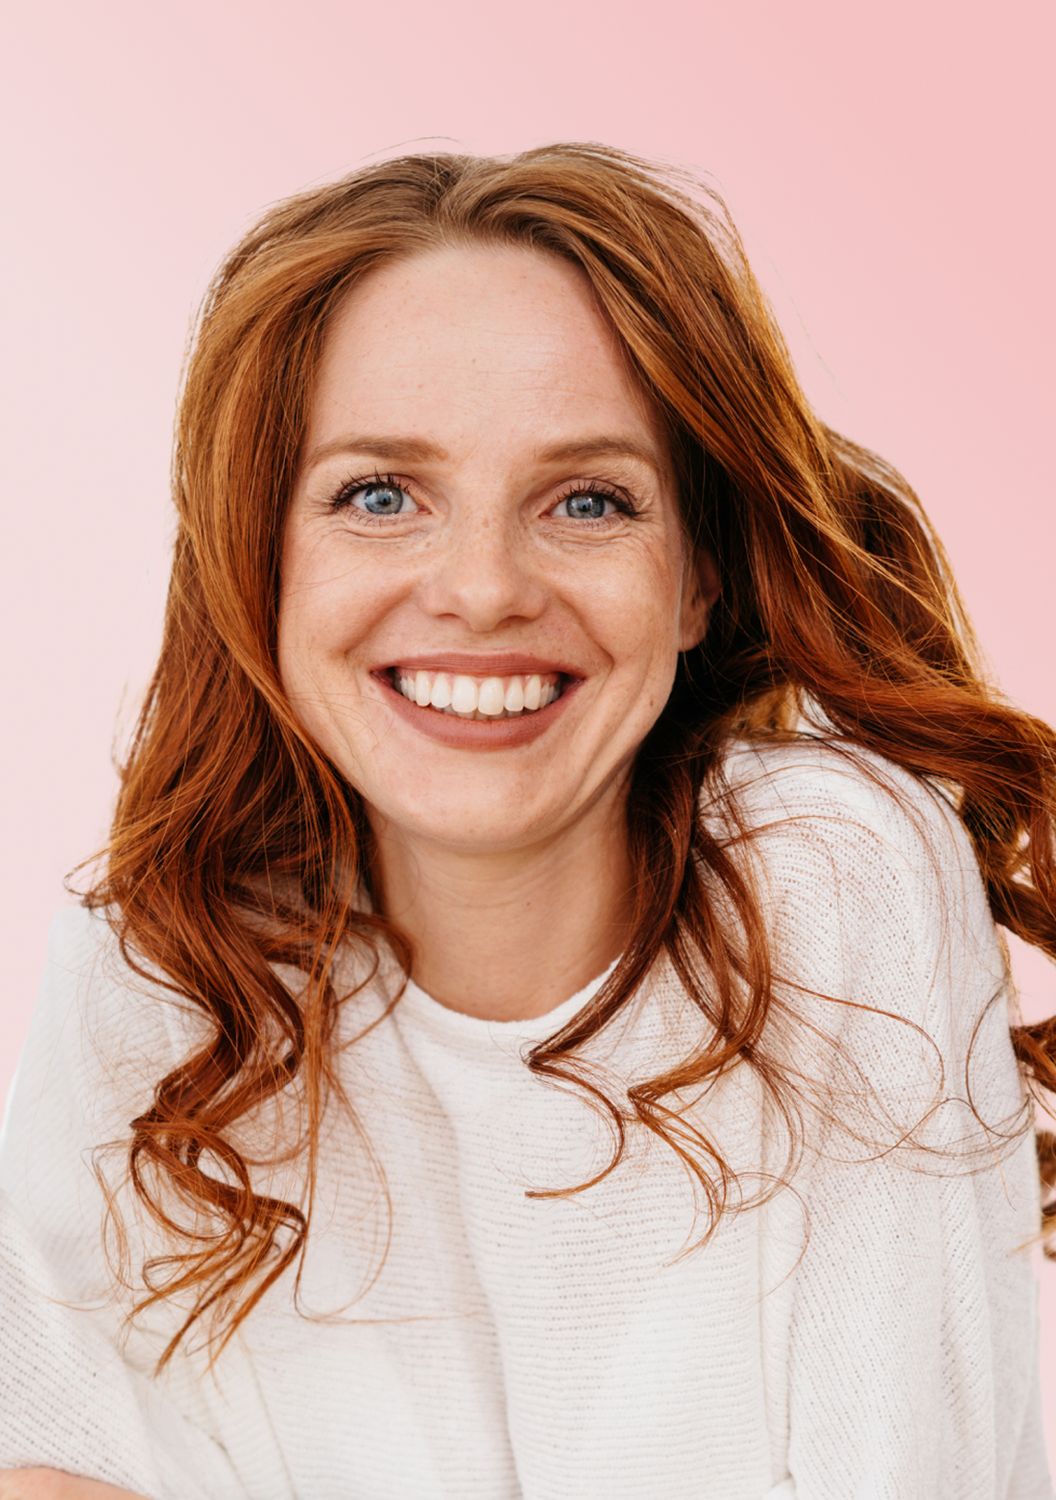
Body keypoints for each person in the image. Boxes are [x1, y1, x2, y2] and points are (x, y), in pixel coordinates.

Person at [1, 141, 1053, 1500]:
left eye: (589, 501)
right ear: (259, 565)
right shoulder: (162, 975)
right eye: (380, 495)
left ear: (696, 583)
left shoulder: (836, 878)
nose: (484, 587)